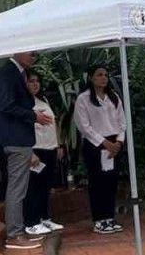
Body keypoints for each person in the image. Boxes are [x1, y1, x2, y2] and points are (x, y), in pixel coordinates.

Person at [0, 51, 54, 243]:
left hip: (20, 138)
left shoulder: (18, 72)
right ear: (18, 50)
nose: (34, 56)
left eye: (36, 54)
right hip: (15, 138)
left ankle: (17, 230)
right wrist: (34, 116)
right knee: (17, 188)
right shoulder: (7, 73)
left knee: (19, 187)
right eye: (31, 52)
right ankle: (15, 233)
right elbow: (6, 105)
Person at [73, 65, 127, 234]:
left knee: (111, 181)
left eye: (105, 75)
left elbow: (122, 122)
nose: (103, 78)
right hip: (95, 145)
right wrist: (104, 142)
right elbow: (84, 126)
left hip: (114, 143)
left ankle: (109, 217)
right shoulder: (83, 99)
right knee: (97, 182)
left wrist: (119, 142)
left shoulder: (114, 97)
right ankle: (99, 220)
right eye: (99, 75)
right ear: (91, 77)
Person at [23, 72, 64, 236]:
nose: (35, 84)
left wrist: (59, 145)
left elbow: (54, 123)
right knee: (33, 187)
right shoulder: (23, 104)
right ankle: (31, 222)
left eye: (37, 81)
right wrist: (30, 152)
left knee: (45, 186)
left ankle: (44, 217)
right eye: (31, 81)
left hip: (50, 149)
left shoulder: (43, 100)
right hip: (36, 150)